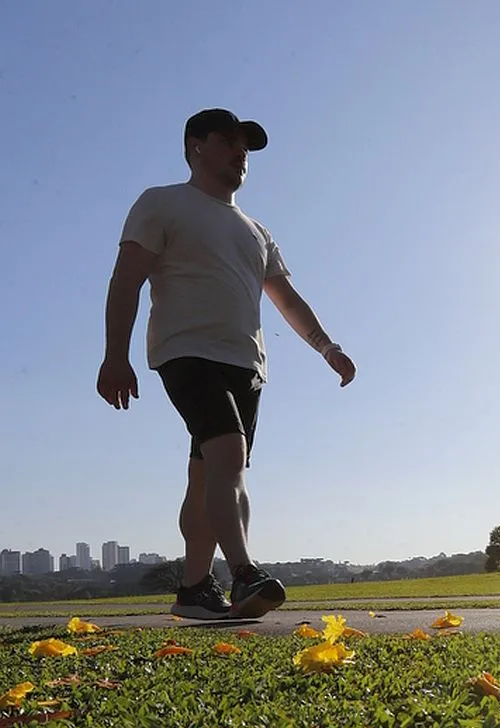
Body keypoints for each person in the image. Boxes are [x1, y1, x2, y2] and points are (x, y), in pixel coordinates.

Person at [96, 108, 357, 619]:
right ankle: (242, 573)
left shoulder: (256, 231)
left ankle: (194, 589)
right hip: (186, 351)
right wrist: (114, 356)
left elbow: (286, 298)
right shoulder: (162, 203)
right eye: (229, 141)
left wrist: (327, 347)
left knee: (209, 473)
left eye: (246, 146)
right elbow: (126, 279)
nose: (241, 153)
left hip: (246, 363)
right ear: (196, 144)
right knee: (229, 455)